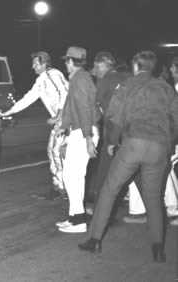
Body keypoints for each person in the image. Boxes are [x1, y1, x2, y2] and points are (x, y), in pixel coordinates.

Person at [79, 51, 178, 263]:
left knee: (109, 189)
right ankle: (158, 248)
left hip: (134, 144)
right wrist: (169, 146)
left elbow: (114, 117)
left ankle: (95, 240)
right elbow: (176, 120)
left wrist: (112, 142)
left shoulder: (128, 85)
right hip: (159, 147)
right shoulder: (166, 88)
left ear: (136, 66)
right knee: (153, 198)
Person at [0, 51, 69, 199]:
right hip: (61, 120)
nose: (33, 67)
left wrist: (58, 115)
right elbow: (28, 99)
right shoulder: (41, 80)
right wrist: (7, 112)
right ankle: (58, 186)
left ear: (44, 64)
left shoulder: (53, 74)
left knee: (57, 153)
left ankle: (64, 188)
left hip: (67, 119)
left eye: (36, 63)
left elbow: (65, 93)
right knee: (51, 151)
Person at [123, 56, 178, 226]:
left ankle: (171, 209)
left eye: (173, 67)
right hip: (161, 137)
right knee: (163, 170)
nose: (171, 70)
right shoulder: (169, 87)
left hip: (165, 137)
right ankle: (164, 208)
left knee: (161, 170)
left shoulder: (168, 87)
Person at [55, 46, 99, 233]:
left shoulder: (80, 79)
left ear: (71, 62)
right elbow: (73, 108)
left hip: (84, 131)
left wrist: (88, 138)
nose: (66, 64)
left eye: (66, 60)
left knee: (74, 176)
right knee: (70, 176)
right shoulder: (79, 79)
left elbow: (84, 109)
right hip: (80, 131)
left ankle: (79, 220)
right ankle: (74, 217)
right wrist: (64, 127)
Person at [86, 52, 131, 213]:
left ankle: (99, 208)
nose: (95, 69)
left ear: (104, 65)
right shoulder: (126, 76)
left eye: (97, 66)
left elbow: (94, 104)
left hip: (113, 130)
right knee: (137, 170)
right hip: (132, 130)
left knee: (104, 172)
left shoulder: (106, 80)